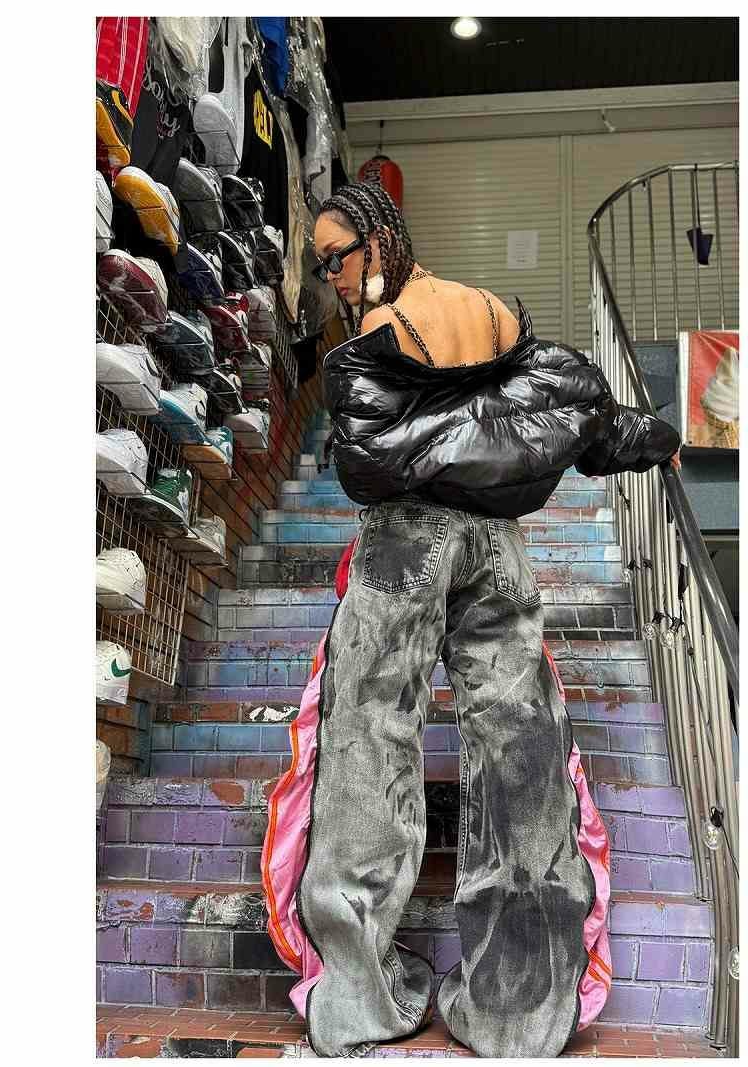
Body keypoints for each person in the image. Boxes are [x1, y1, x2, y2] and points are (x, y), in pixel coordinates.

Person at [288, 181, 679, 1058]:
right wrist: (656, 440)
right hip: (497, 546)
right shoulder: (490, 313)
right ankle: (517, 1010)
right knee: (518, 750)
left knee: (368, 744)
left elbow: (368, 464)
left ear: (377, 241)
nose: (329, 277)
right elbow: (583, 418)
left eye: (333, 258)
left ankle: (361, 1001)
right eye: (319, 265)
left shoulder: (376, 334)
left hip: (403, 546)